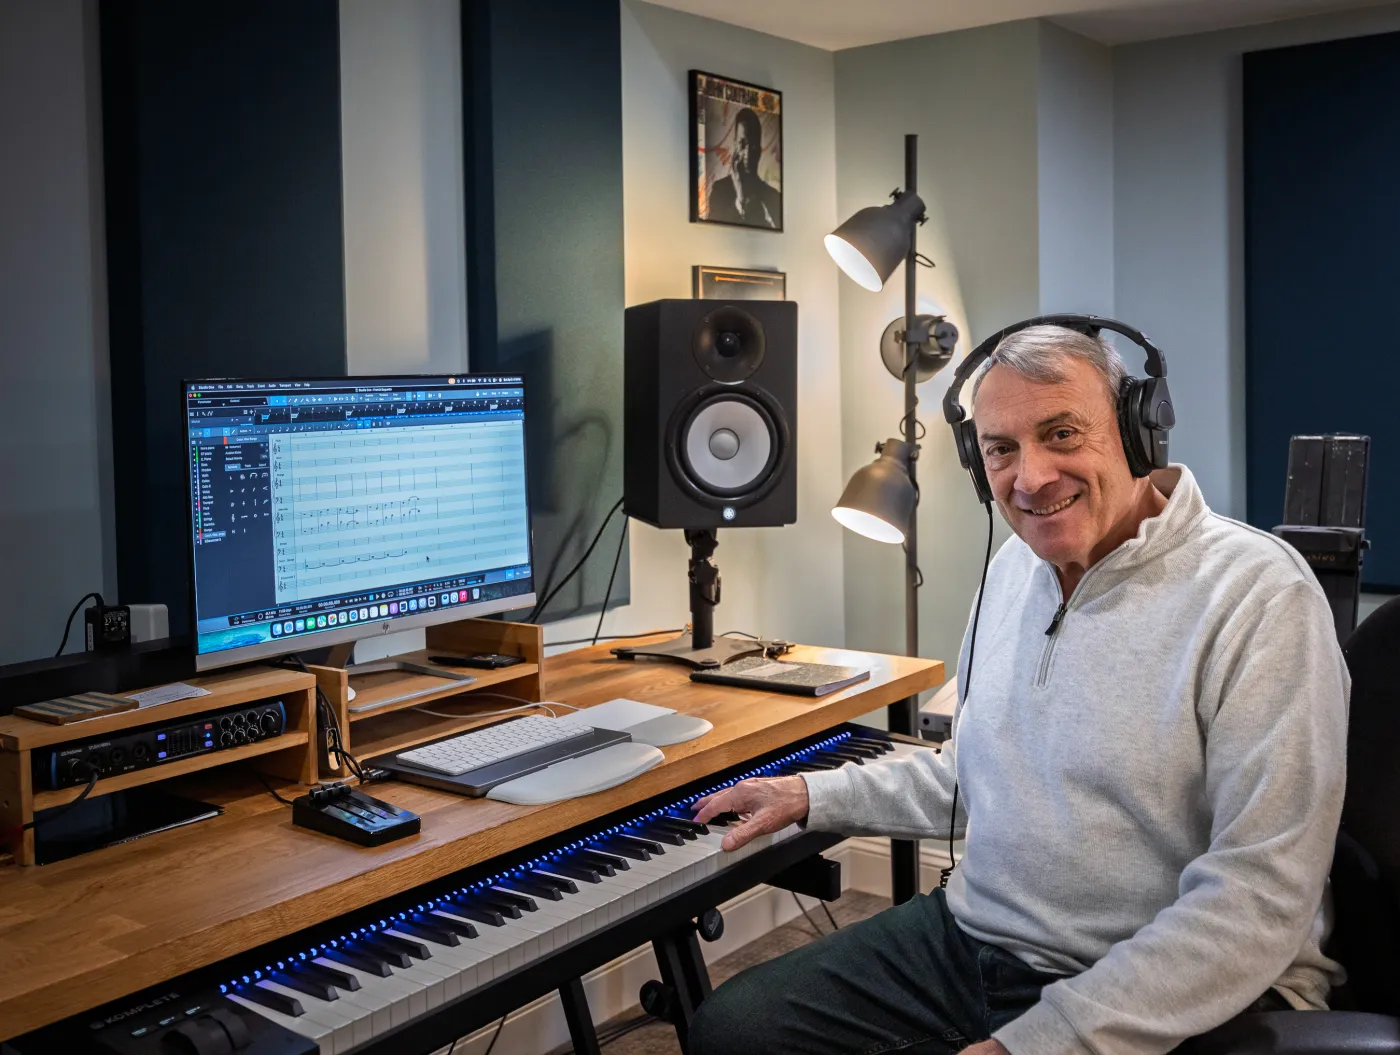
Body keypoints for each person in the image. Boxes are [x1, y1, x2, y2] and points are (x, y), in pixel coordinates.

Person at [689, 324, 1349, 1055]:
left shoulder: (1260, 596)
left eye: (1062, 433)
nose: (1030, 478)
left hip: (1174, 979)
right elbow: (975, 775)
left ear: (1139, 431)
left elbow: (1259, 893)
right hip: (975, 939)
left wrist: (1041, 1040)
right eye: (1001, 449)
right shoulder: (1013, 568)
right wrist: (811, 795)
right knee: (732, 1032)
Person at [705, 106, 781, 228]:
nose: (748, 152)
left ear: (760, 150)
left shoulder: (774, 197)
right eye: (742, 143)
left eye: (753, 143)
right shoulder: (719, 191)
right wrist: (739, 194)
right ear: (735, 145)